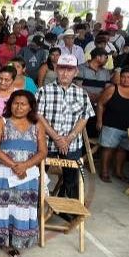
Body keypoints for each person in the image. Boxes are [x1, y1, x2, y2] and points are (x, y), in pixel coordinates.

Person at [0, 90, 47, 257]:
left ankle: (11, 243)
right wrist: (15, 166)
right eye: (15, 103)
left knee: (18, 207)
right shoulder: (0, 122)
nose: (19, 107)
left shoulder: (38, 124)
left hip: (26, 174)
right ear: (9, 105)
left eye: (23, 104)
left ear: (31, 107)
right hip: (2, 172)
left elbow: (43, 151)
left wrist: (25, 166)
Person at [37, 55, 94, 197]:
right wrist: (56, 137)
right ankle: (36, 206)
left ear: (76, 72)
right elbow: (38, 116)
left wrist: (68, 138)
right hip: (46, 142)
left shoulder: (82, 94)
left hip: (72, 144)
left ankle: (65, 208)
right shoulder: (43, 91)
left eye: (69, 70)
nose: (65, 73)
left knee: (72, 180)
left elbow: (84, 117)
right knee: (38, 175)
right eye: (62, 68)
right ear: (56, 69)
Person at [96, 67, 129, 183]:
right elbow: (100, 104)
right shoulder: (112, 89)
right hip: (112, 124)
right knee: (108, 148)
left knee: (123, 150)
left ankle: (119, 172)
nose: (125, 80)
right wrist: (99, 120)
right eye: (123, 77)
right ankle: (104, 172)